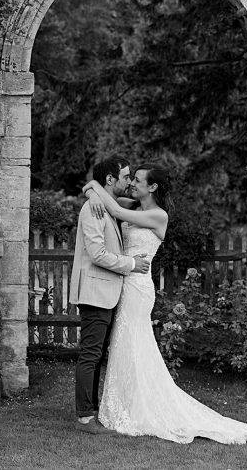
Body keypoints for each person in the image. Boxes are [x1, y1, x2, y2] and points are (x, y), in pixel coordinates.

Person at [82, 164, 247, 444]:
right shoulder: (133, 205)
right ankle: (125, 402)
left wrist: (96, 193)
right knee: (124, 343)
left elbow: (113, 210)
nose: (132, 184)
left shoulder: (157, 215)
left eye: (138, 181)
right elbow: (96, 188)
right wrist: (91, 192)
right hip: (124, 282)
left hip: (138, 286)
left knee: (134, 341)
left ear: (153, 187)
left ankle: (140, 406)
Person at [69, 155, 151, 435]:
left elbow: (122, 206)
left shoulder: (106, 204)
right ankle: (84, 417)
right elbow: (97, 254)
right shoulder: (92, 210)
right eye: (126, 177)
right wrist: (131, 265)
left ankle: (90, 410)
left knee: (98, 353)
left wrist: (91, 188)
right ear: (110, 180)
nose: (129, 182)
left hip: (108, 291)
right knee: (90, 355)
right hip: (95, 292)